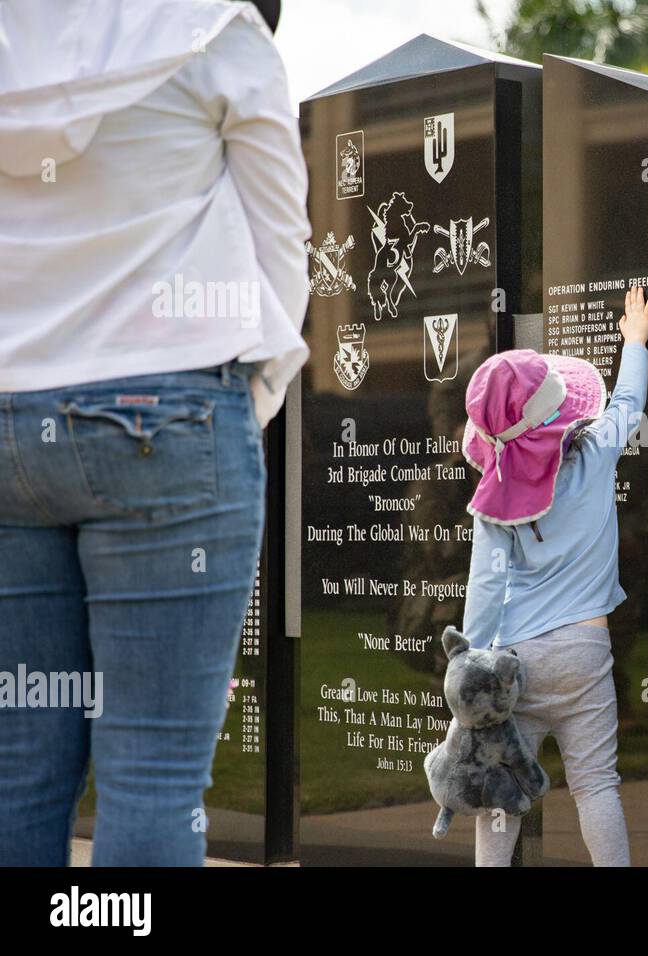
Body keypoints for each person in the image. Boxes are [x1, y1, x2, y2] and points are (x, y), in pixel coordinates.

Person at [0, 0, 308, 866]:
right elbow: (282, 241)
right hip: (166, 415)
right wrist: (246, 403)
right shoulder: (214, 26)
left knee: (19, 769)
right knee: (153, 774)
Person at [460, 287, 648, 867]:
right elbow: (627, 405)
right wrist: (635, 343)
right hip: (584, 651)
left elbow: (485, 588)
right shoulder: (595, 456)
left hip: (513, 663)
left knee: (502, 794)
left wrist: (470, 671)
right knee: (596, 785)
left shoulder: (491, 502)